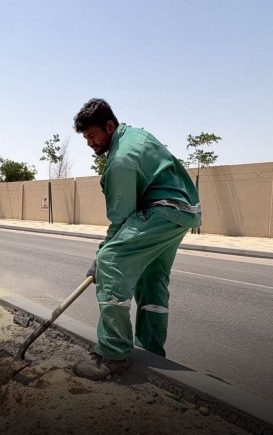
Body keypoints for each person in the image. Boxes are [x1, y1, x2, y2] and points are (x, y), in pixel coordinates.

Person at [71, 98, 201, 380]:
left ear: (109, 126)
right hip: (182, 212)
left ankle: (114, 355)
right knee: (152, 277)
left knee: (111, 262)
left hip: (162, 210)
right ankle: (150, 350)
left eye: (92, 136)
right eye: (86, 138)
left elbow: (121, 217)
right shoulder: (134, 135)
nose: (90, 143)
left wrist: (101, 256)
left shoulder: (121, 159)